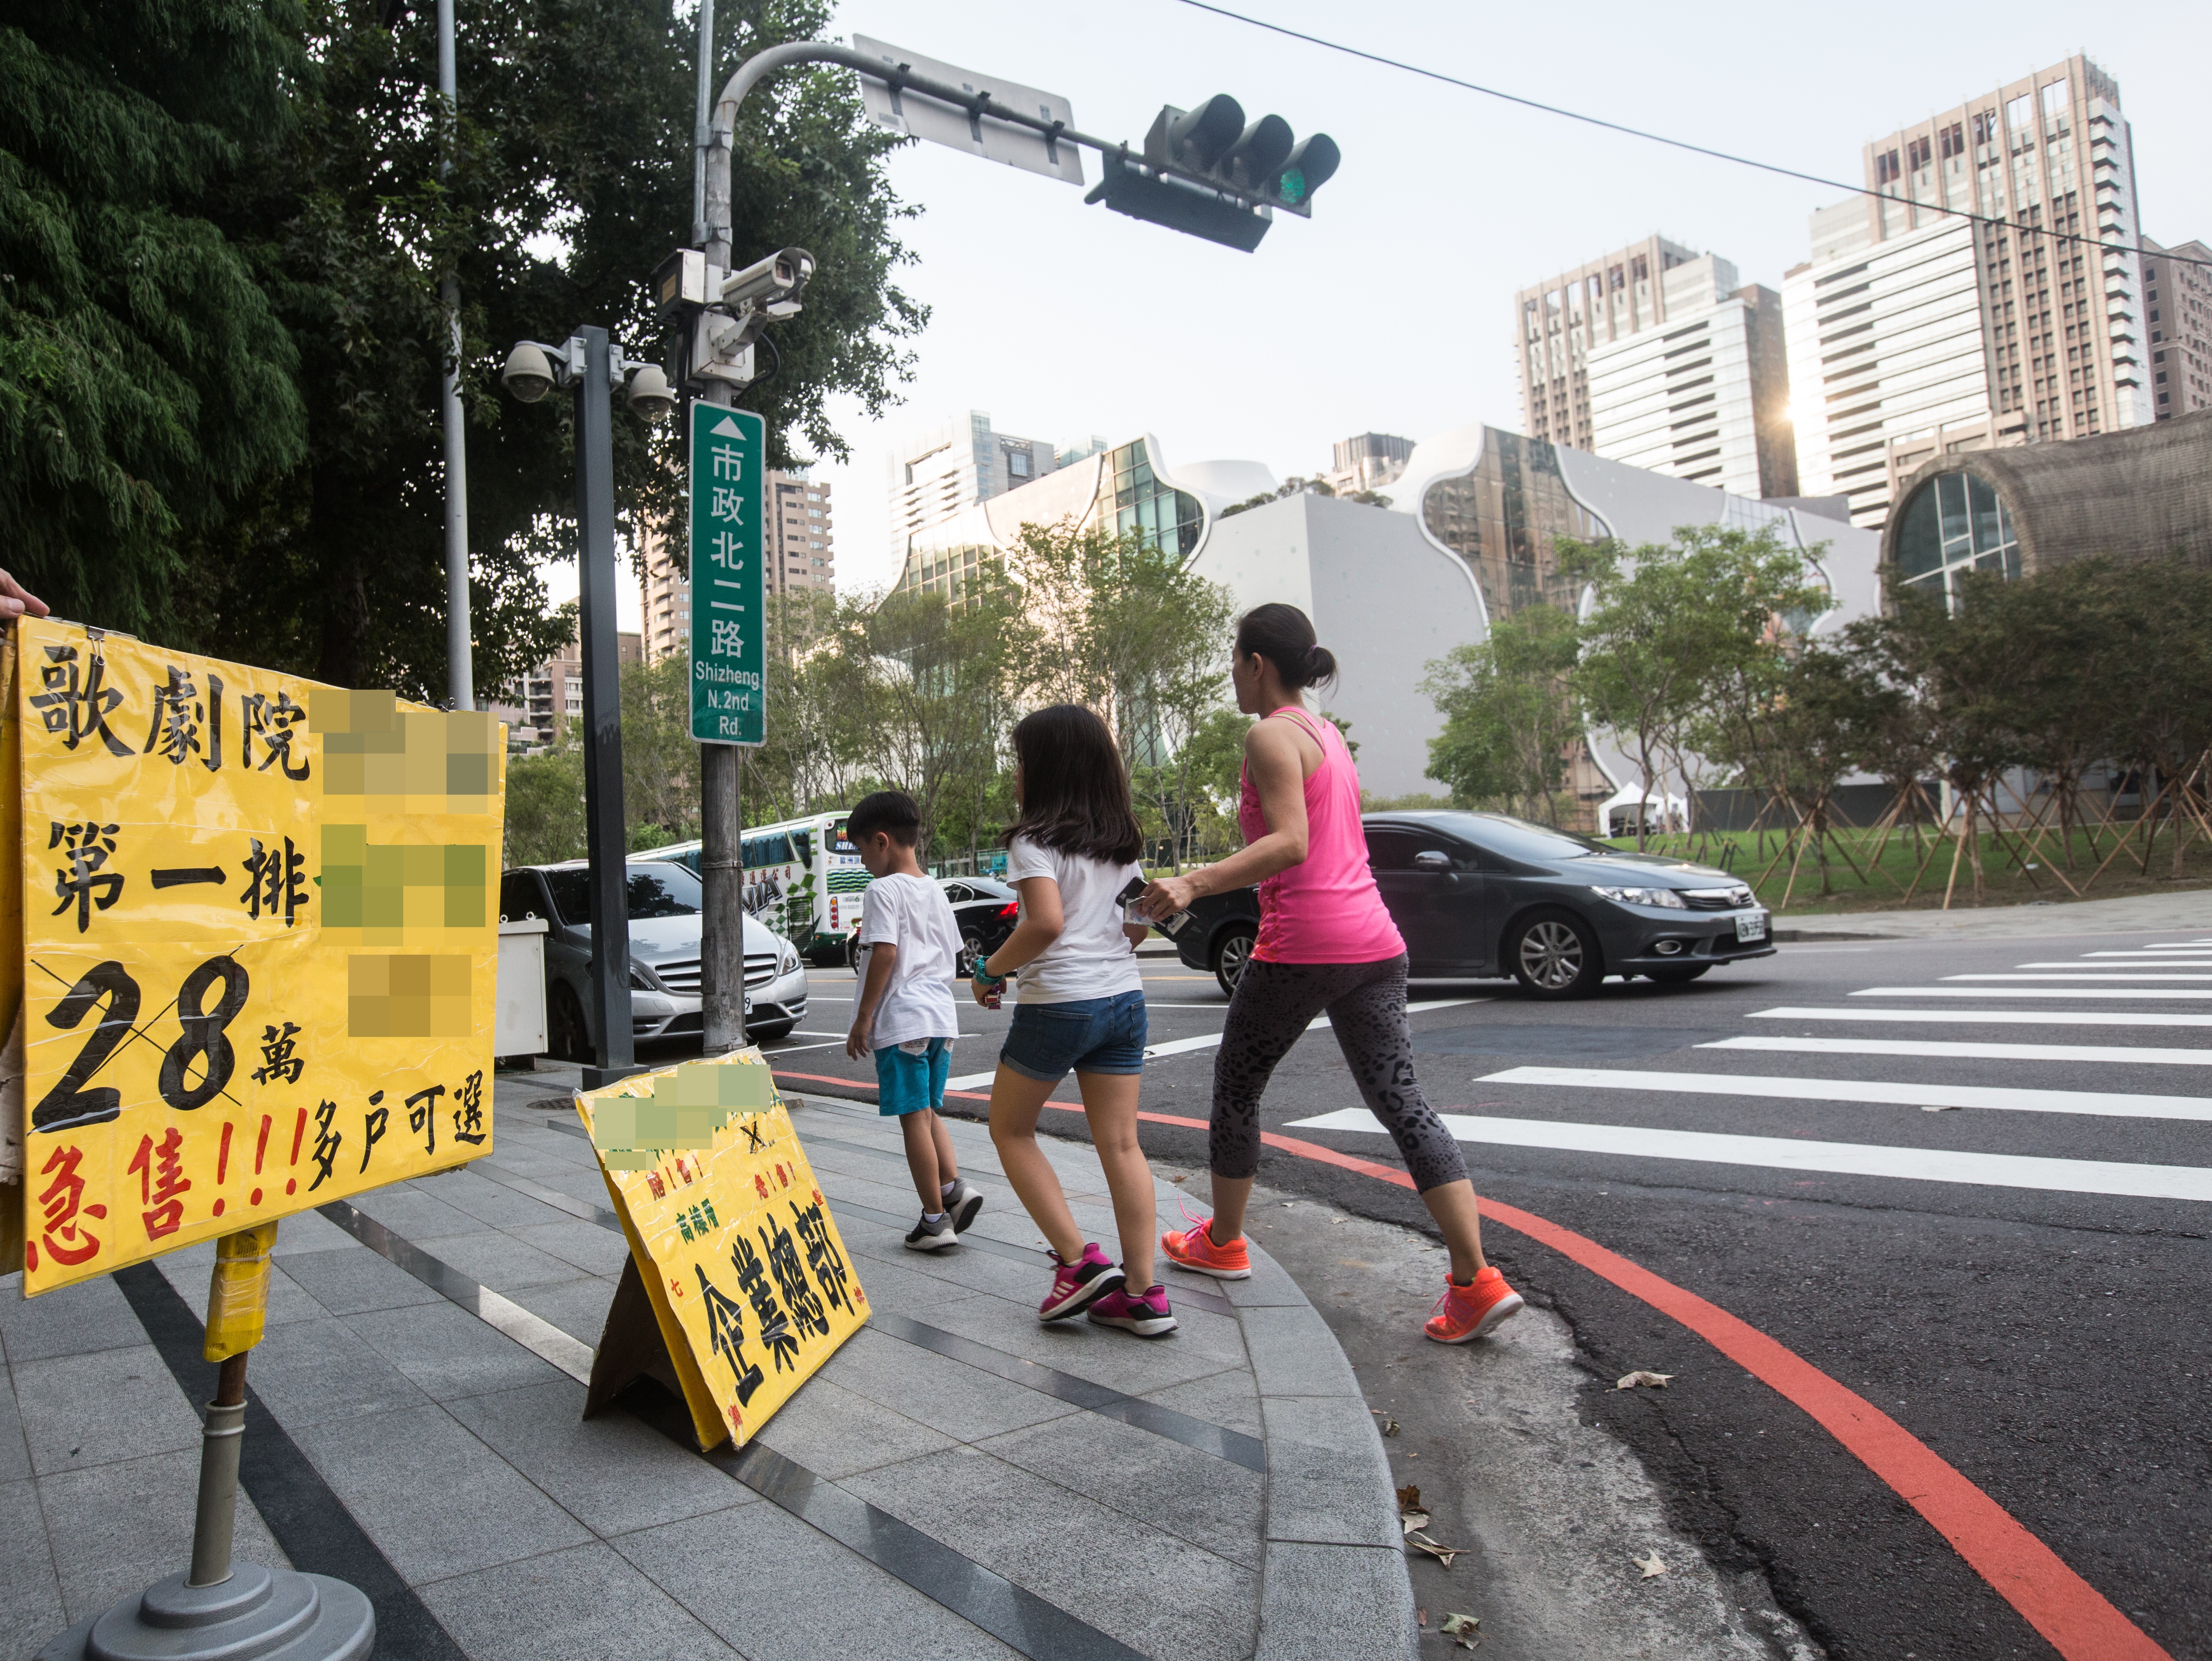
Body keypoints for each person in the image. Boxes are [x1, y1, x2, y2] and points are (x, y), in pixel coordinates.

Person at [1138, 603, 1524, 1343]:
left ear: (1257, 663)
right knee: (1402, 1103)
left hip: (1303, 945)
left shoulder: (1269, 734)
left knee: (1236, 1086)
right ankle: (1475, 1279)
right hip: (1376, 944)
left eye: (1233, 658)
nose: (1230, 673)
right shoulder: (1326, 736)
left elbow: (1290, 842)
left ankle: (1221, 1241)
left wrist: (1194, 882)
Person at [976, 705, 1174, 1336]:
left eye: (1022, 760)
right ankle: (1142, 1294)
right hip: (1124, 1001)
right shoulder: (1122, 841)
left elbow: (1044, 924)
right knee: (1121, 1143)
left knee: (1009, 1129)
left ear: (1047, 768)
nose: (1016, 772)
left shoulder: (1033, 841)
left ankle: (1077, 1262)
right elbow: (1140, 922)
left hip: (1061, 1003)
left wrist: (988, 971)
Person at [843, 789, 986, 1250]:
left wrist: (864, 1019)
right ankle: (954, 1189)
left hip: (903, 1019)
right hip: (941, 1018)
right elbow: (953, 955)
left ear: (882, 842)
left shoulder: (883, 889)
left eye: (862, 850)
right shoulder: (936, 891)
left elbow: (885, 952)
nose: (863, 861)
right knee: (926, 1111)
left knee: (911, 1118)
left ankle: (934, 1219)